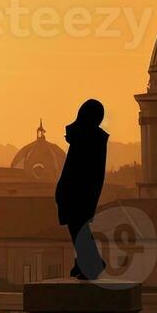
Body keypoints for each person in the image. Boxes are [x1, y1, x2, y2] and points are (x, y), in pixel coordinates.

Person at [56, 99, 109, 280]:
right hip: (81, 192)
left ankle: (91, 262)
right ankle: (85, 261)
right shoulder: (93, 138)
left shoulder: (88, 138)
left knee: (78, 228)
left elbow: (78, 169)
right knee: (79, 228)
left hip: (77, 192)